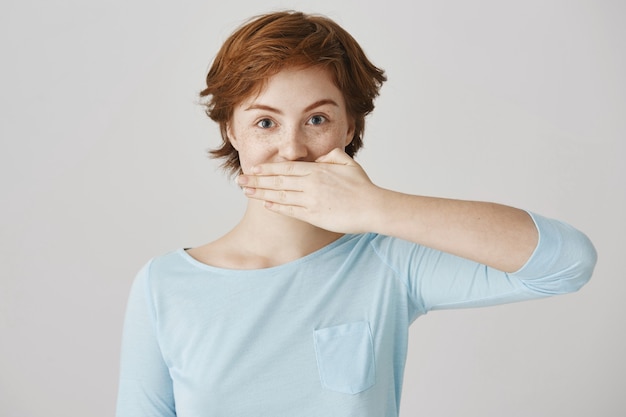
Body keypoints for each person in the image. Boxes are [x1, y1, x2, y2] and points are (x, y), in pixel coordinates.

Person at [115, 10, 597, 417]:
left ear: (350, 127)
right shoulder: (165, 285)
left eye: (317, 120)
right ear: (231, 130)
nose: (292, 148)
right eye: (265, 122)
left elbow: (567, 263)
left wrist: (374, 206)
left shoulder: (388, 263)